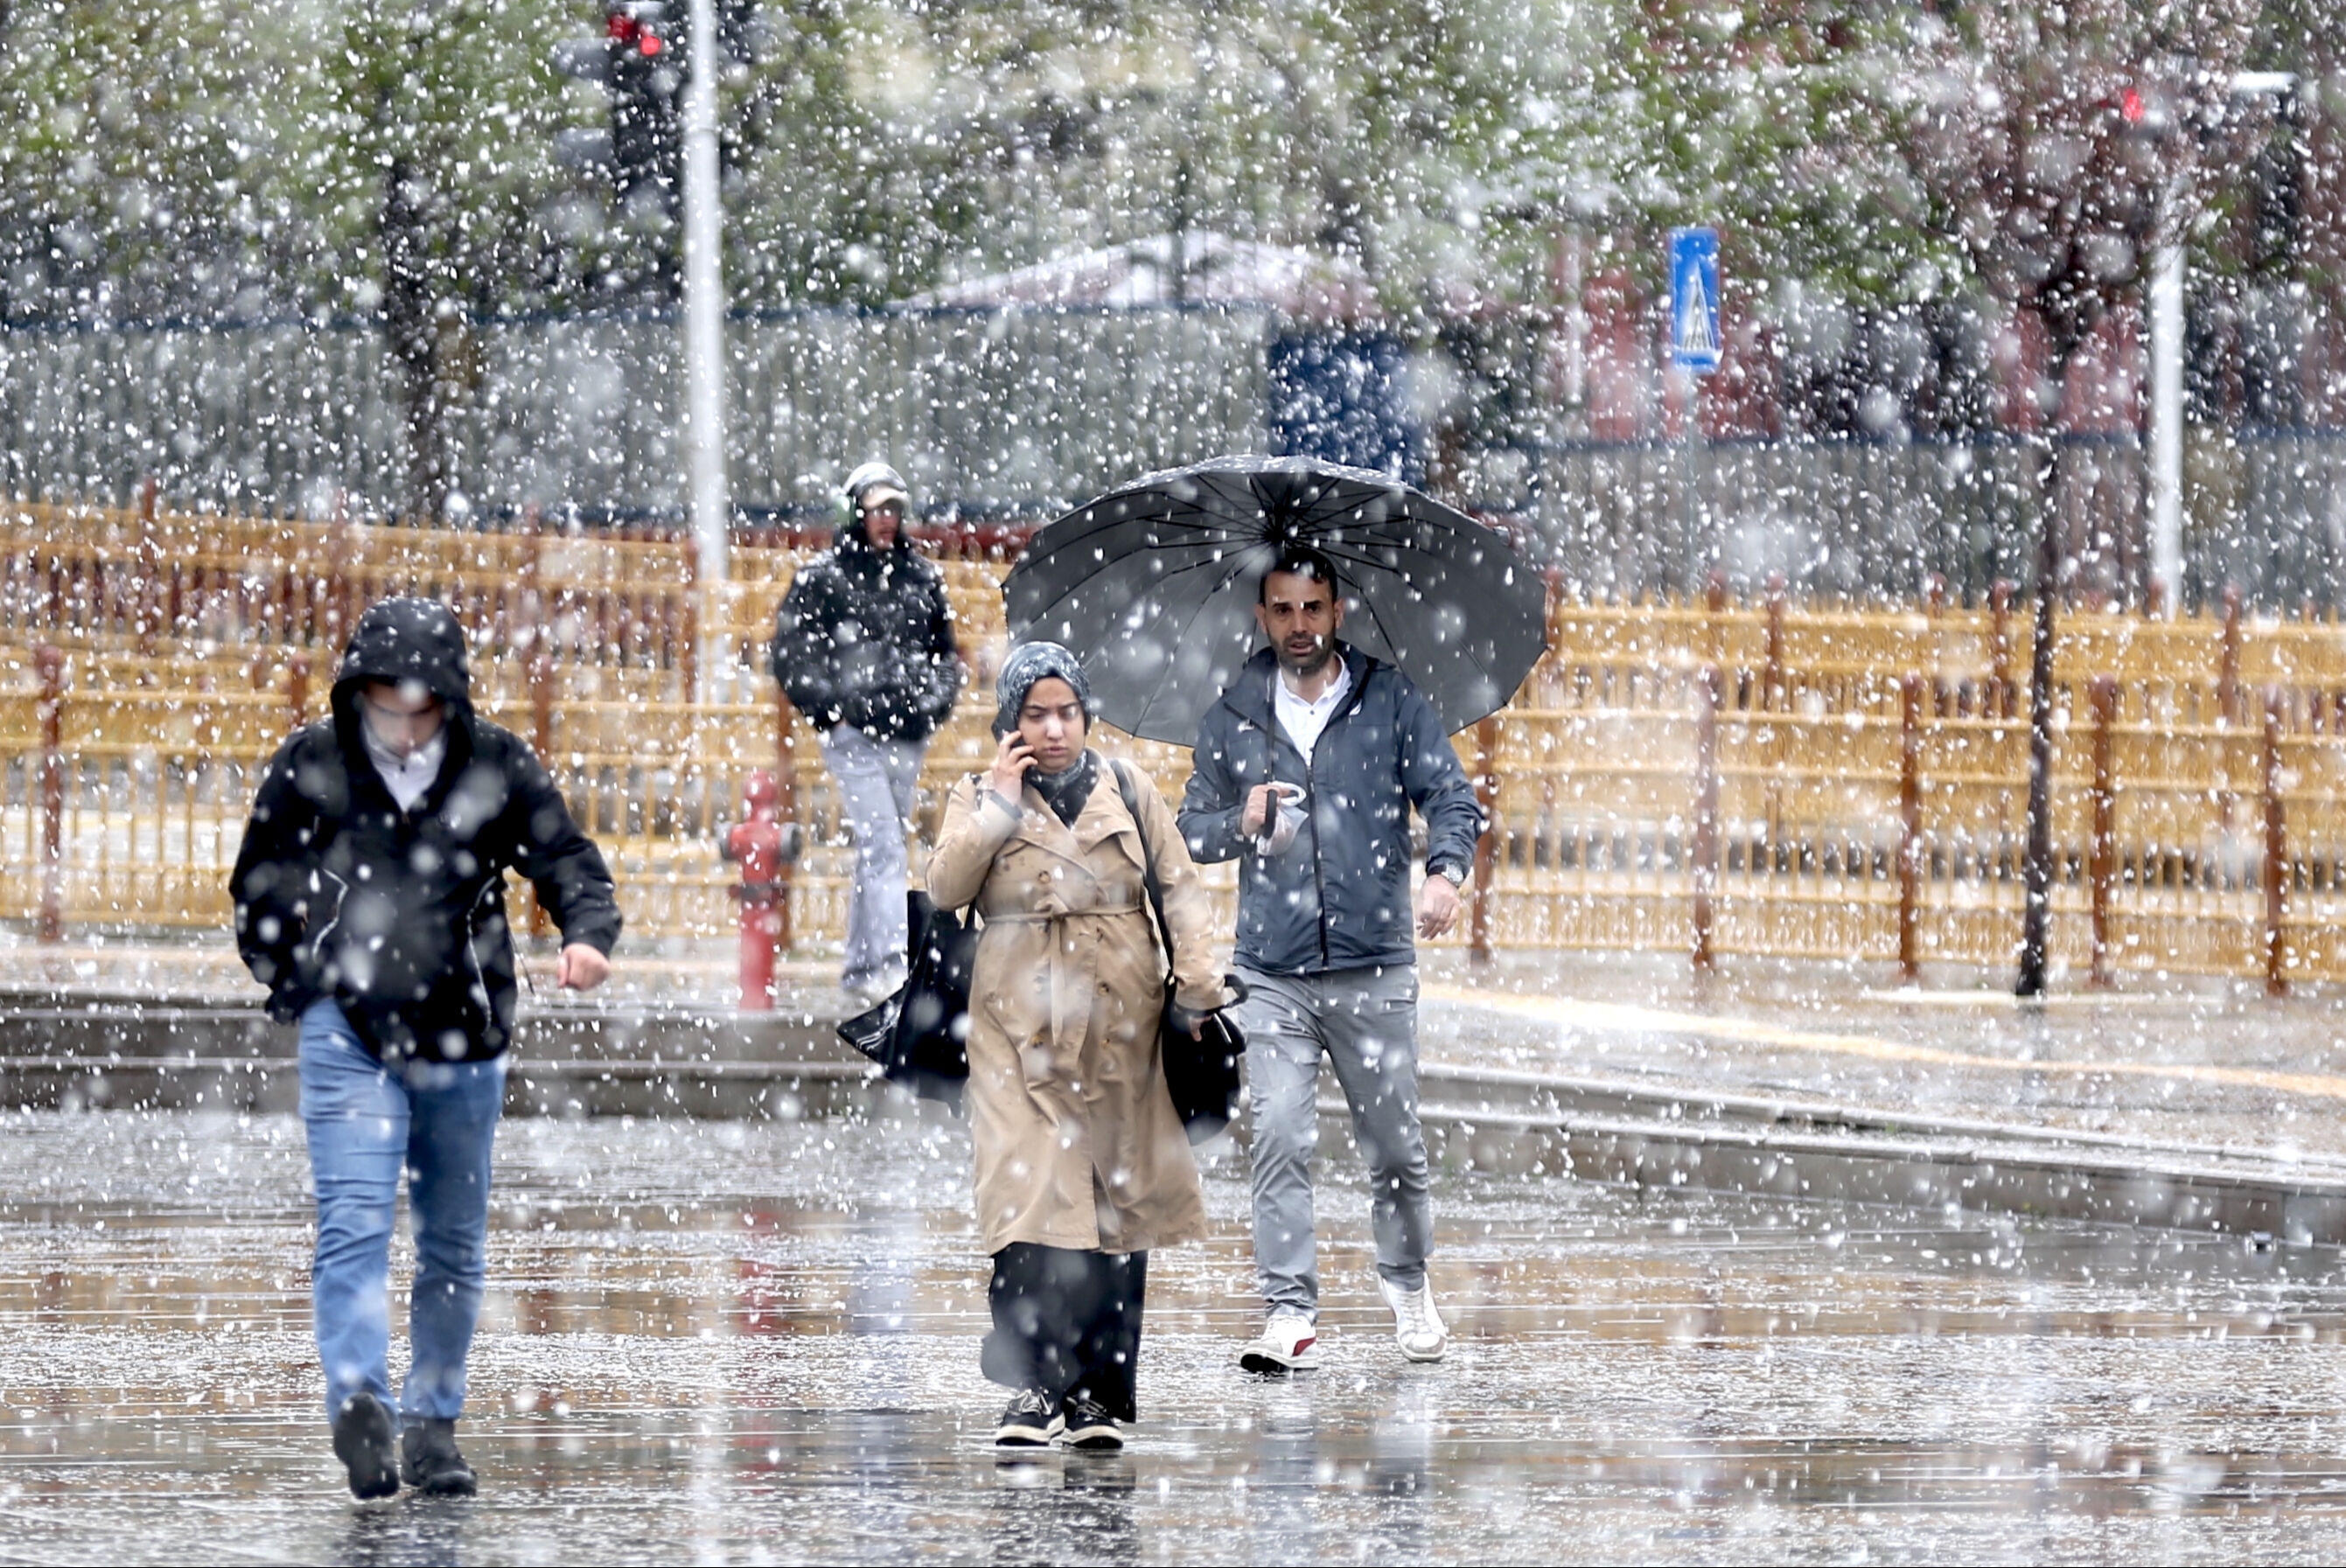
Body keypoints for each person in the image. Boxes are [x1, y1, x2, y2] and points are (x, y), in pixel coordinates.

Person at [229, 596, 621, 1500]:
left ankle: (433, 1421)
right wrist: (293, 972)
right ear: (356, 692)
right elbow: (259, 879)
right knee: (355, 1219)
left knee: (451, 1237)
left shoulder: (495, 764)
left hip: (464, 1027)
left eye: (421, 708)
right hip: (348, 1026)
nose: (402, 729)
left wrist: (587, 932)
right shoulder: (316, 762)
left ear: (451, 699)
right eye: (384, 705)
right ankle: (359, 1401)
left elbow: (565, 856)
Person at [1177, 544, 1483, 1373]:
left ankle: (1409, 1281)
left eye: (1313, 608)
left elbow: (1452, 797)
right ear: (1262, 616)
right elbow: (1187, 830)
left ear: (1338, 611)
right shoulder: (1235, 711)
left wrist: (1445, 870)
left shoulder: (1390, 701)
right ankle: (1289, 1311)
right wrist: (1237, 818)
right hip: (1271, 971)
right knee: (1277, 1132)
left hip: (1374, 963)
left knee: (1393, 1144)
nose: (1299, 625)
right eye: (1283, 609)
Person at [926, 643, 1228, 1450]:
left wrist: (1198, 991)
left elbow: (1181, 889)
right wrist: (997, 804)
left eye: (1066, 712)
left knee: (1111, 1214)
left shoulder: (1129, 788)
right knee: (1024, 1206)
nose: (1054, 729)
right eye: (1036, 713)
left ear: (1086, 715)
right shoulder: (977, 793)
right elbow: (945, 887)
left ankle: (1097, 1393)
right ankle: (1030, 1386)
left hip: (1118, 1029)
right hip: (1014, 1032)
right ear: (1010, 721)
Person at [770, 461, 963, 998]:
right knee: (884, 845)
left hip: (906, 734)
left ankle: (861, 967)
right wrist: (834, 711)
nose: (887, 519)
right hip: (854, 738)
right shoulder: (822, 580)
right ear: (854, 511)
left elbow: (945, 656)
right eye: (877, 508)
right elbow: (792, 656)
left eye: (894, 509)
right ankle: (891, 967)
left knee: (881, 845)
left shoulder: (922, 577)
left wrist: (928, 709)